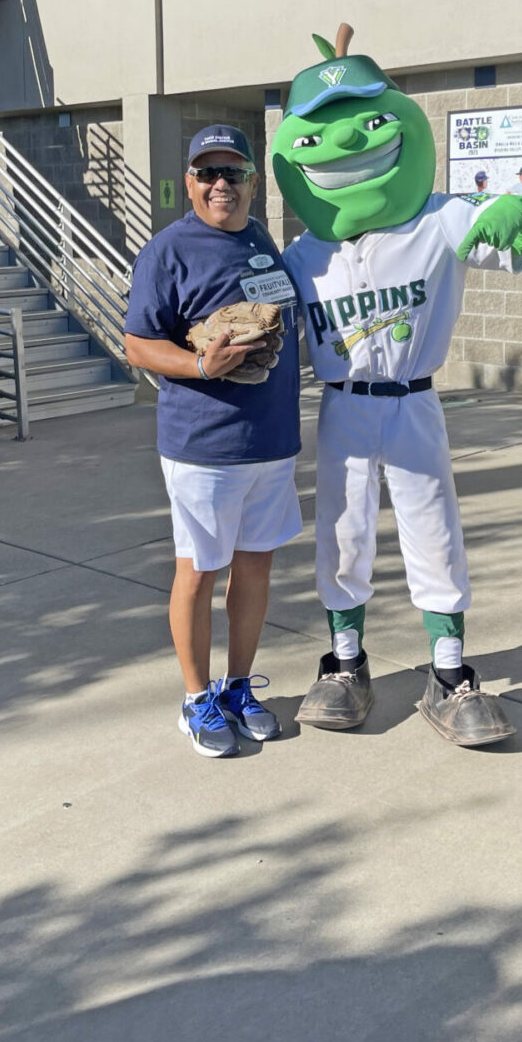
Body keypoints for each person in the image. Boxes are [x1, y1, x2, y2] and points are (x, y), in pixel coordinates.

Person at [273, 26, 522, 747]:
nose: (344, 150)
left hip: (413, 401)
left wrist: (519, 216)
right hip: (342, 406)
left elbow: (495, 225)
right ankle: (343, 663)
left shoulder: (436, 219)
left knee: (434, 532)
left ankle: (450, 674)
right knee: (341, 534)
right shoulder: (303, 254)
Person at [124, 124, 302, 759]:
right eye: (207, 173)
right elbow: (139, 343)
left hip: (273, 440)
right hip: (205, 443)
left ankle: (235, 688)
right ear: (190, 181)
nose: (220, 183)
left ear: (254, 181)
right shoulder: (168, 250)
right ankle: (196, 698)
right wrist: (200, 365)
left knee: (255, 566)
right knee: (199, 571)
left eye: (233, 172)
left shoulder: (260, 239)